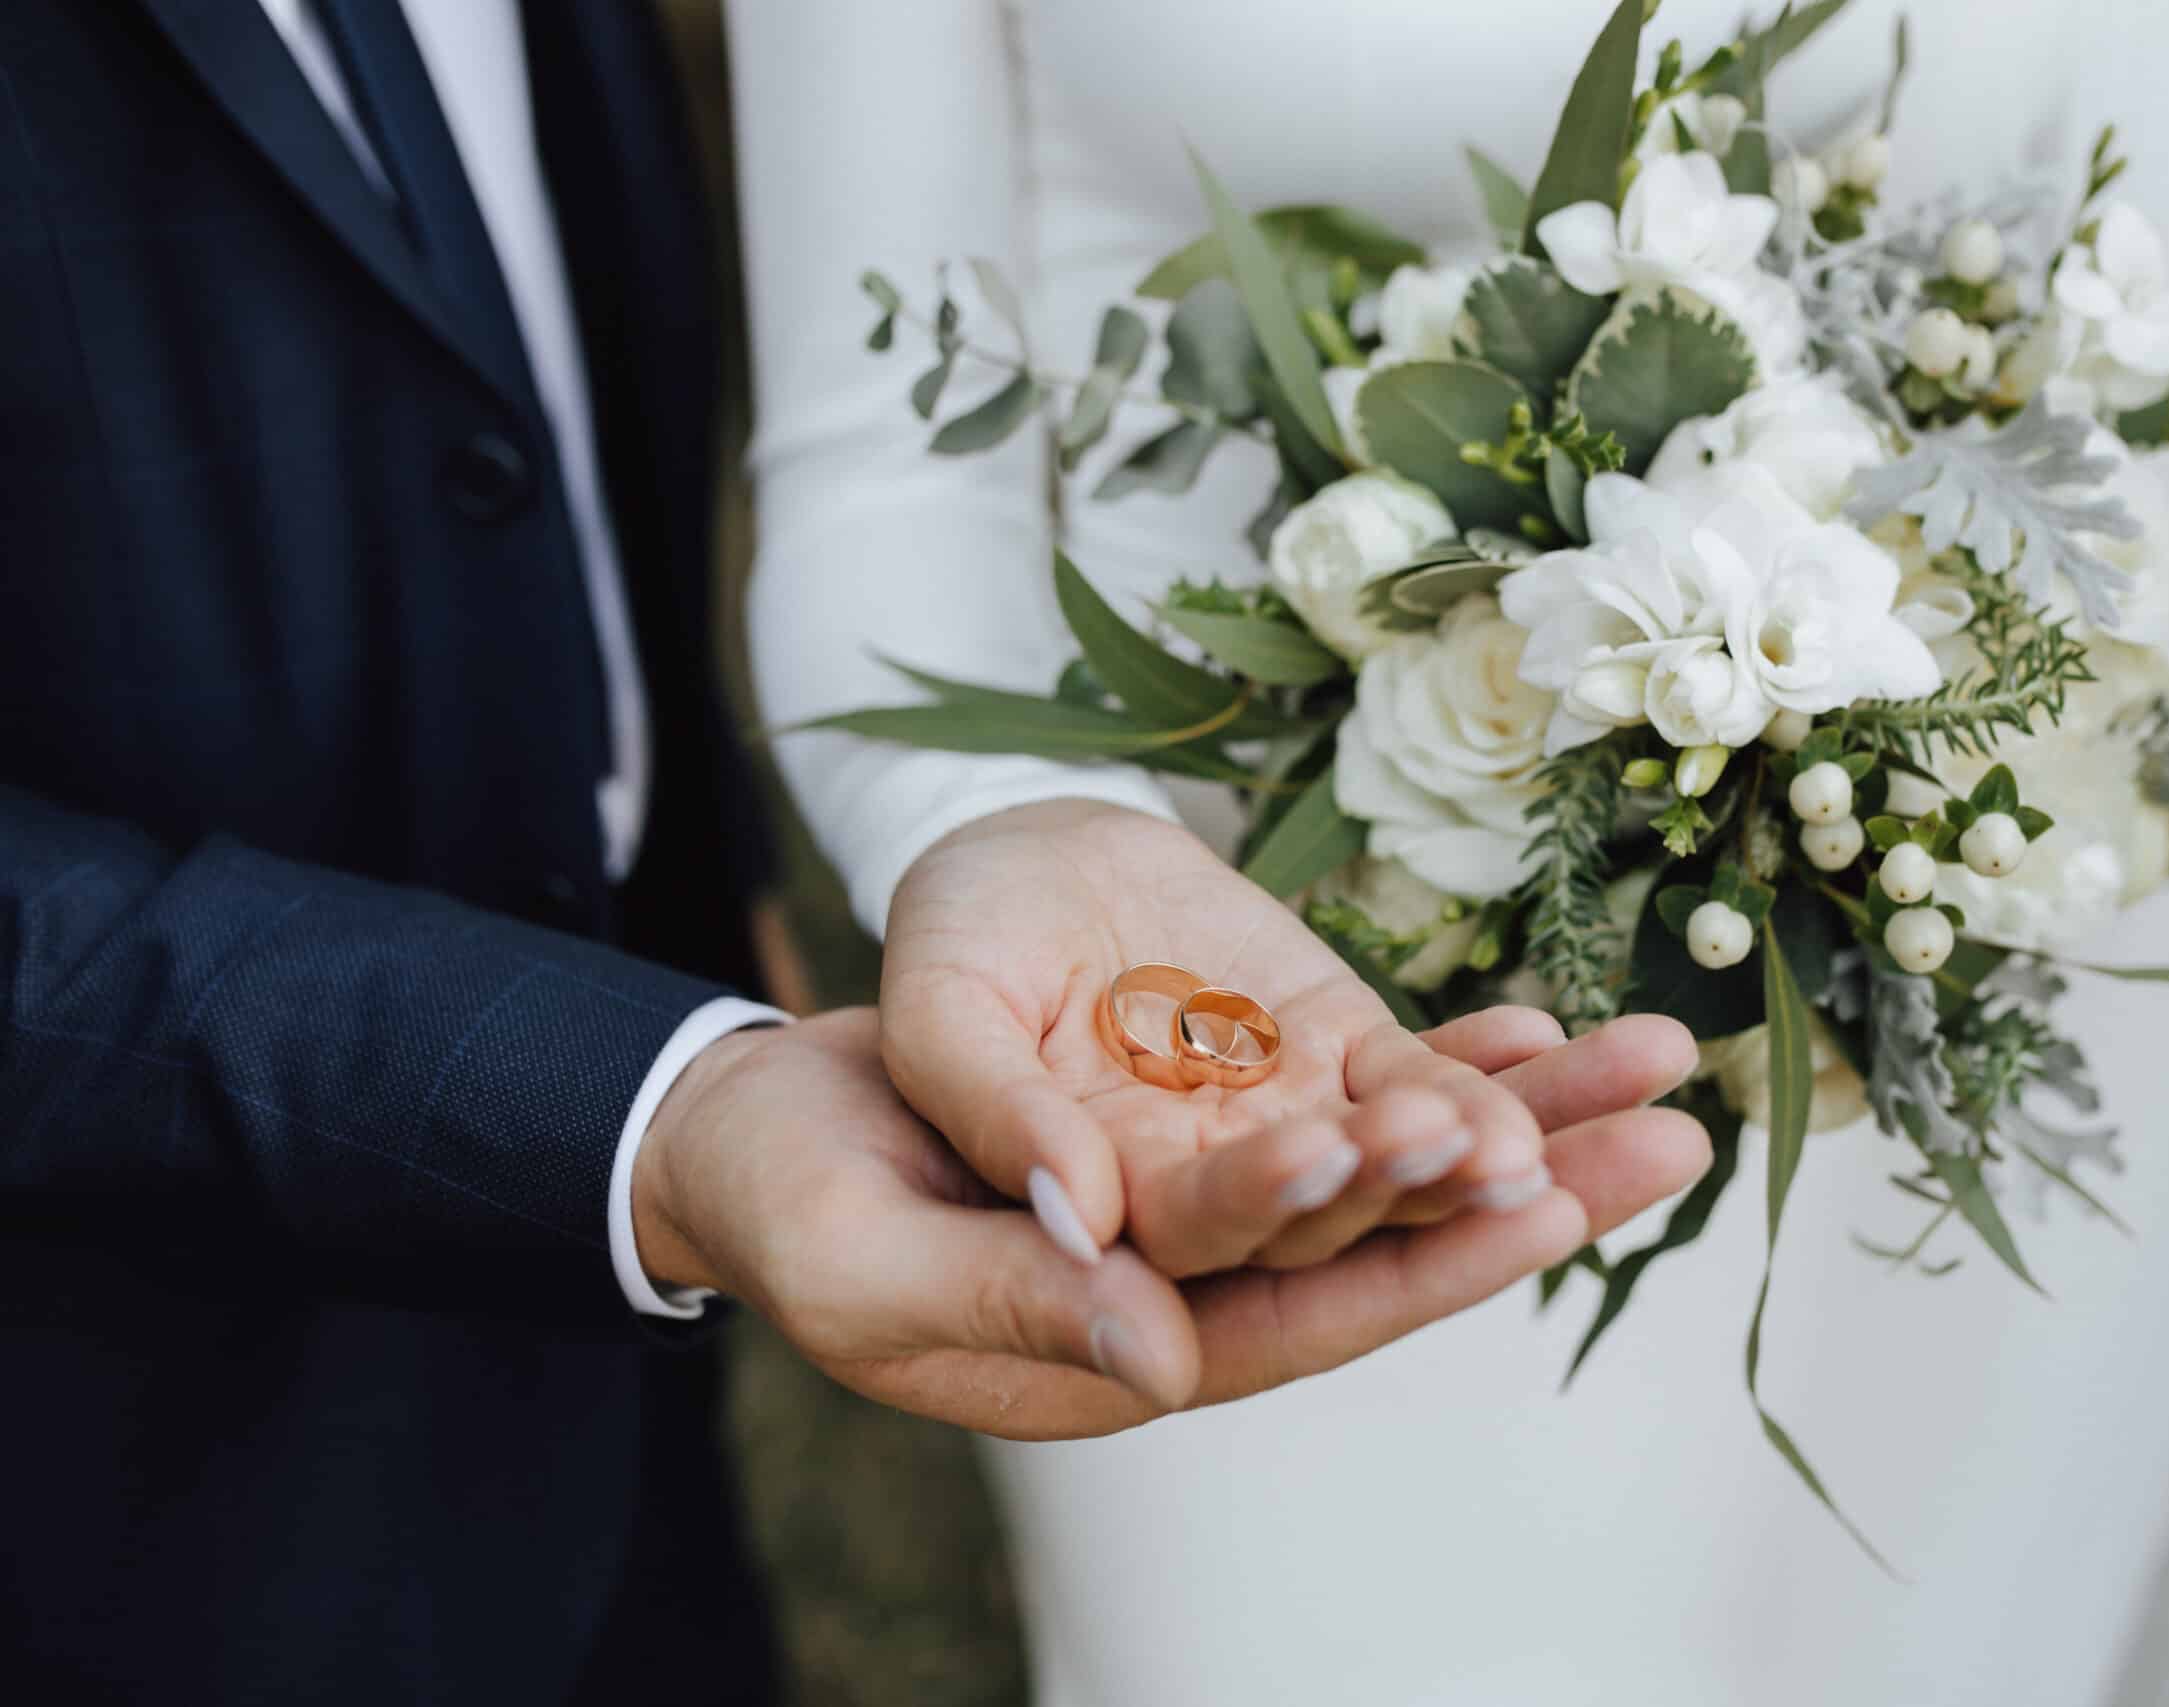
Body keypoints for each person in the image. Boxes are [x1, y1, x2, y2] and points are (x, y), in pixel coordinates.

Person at [727, 1, 2169, 1702]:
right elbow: (882, 457)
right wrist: (993, 839)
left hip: (1901, 983)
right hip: (1201, 1028)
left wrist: (1966, 825)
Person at [0, 2, 1710, 1700]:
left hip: (617, 1357)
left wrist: (689, 863)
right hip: (118, 1419)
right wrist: (643, 1102)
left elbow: (518, 327)